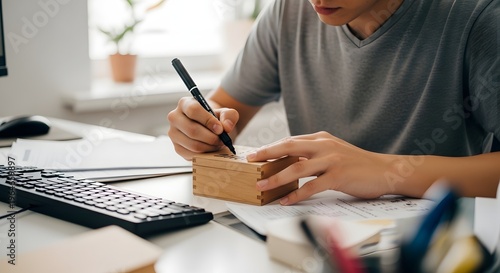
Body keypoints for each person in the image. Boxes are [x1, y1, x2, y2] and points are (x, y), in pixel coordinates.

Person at [167, 0, 500, 205]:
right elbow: (224, 114)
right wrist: (199, 128)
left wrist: (387, 173)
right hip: (311, 236)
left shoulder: (478, 18)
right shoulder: (288, 12)